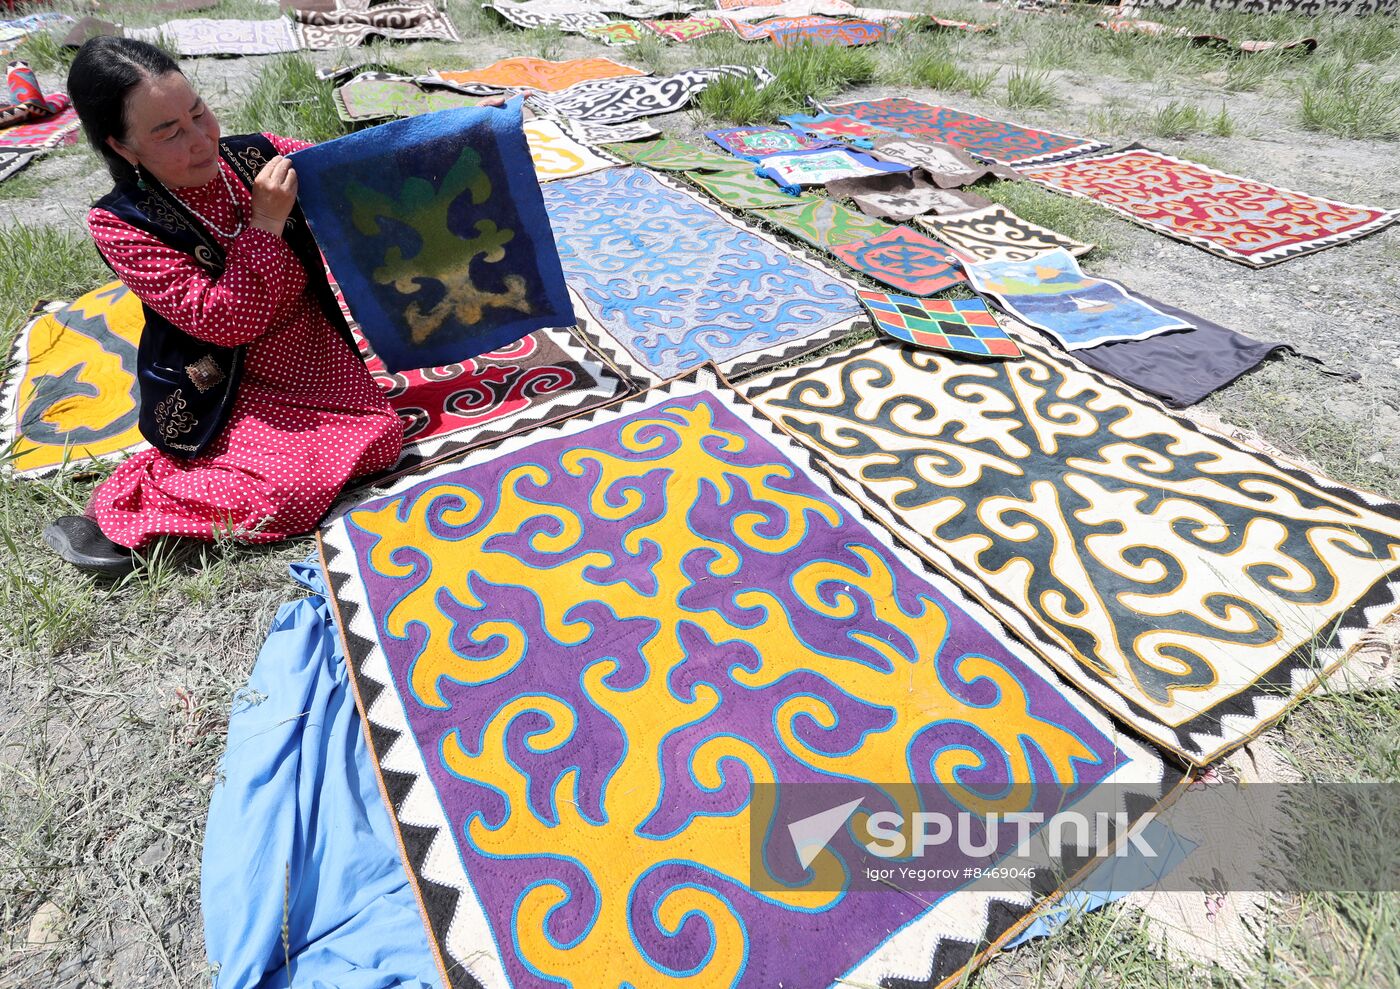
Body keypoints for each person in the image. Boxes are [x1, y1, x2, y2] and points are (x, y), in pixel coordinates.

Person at [43, 37, 406, 576]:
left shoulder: (254, 157)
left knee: (380, 437)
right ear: (122, 147)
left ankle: (200, 478)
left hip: (313, 358)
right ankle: (130, 501)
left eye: (198, 113)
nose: (200, 140)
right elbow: (221, 321)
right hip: (228, 382)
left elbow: (353, 168)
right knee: (293, 488)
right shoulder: (121, 223)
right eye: (168, 132)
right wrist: (265, 224)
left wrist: (459, 131)